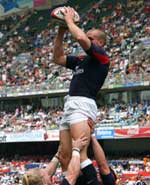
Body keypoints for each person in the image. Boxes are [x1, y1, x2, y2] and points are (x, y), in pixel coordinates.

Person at [53, 6, 110, 183]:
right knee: (64, 156)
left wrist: (69, 20)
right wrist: (61, 30)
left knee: (82, 154)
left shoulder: (102, 57)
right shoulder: (81, 60)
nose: (87, 39)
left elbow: (80, 37)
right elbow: (58, 58)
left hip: (83, 104)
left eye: (91, 37)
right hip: (70, 104)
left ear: (99, 43)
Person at [22, 135, 88, 185]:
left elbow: (49, 171)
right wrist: (76, 149)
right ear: (44, 182)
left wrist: (58, 154)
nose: (48, 173)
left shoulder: (40, 181)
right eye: (46, 175)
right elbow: (73, 174)